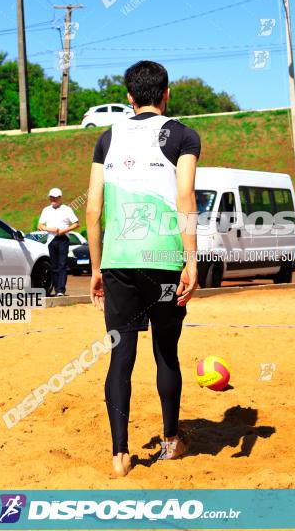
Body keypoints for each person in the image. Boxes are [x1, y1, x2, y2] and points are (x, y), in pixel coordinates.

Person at [86, 61, 200, 477]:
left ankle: (120, 455)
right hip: (165, 261)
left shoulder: (108, 137)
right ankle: (171, 441)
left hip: (118, 261)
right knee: (166, 352)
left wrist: (97, 266)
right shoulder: (183, 135)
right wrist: (191, 258)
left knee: (121, 357)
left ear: (129, 98)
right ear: (166, 93)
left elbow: (93, 207)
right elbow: (185, 196)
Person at [38, 188, 79, 297]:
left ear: (60, 198)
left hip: (63, 239)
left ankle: (61, 290)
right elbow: (40, 225)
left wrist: (63, 231)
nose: (53, 199)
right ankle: (56, 288)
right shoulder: (46, 210)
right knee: (54, 265)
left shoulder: (67, 209)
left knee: (62, 265)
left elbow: (76, 223)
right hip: (51, 240)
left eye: (55, 197)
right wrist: (51, 229)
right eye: (51, 197)